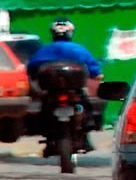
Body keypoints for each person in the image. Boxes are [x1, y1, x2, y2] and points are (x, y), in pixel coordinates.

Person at [27, 17, 103, 154]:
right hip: (69, 93)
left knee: (44, 109)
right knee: (87, 107)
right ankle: (85, 137)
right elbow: (94, 69)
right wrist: (97, 75)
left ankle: (57, 137)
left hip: (53, 94)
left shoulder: (44, 50)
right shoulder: (78, 49)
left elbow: (31, 68)